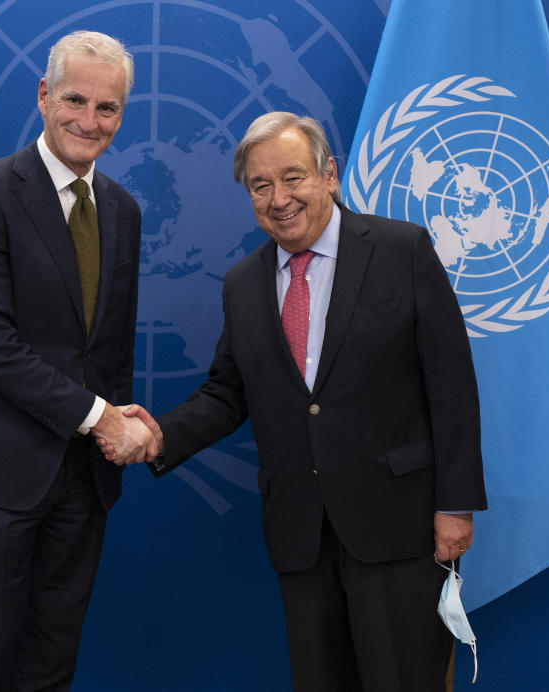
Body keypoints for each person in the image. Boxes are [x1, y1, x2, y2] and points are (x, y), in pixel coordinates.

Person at [103, 112, 487, 691]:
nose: (278, 198)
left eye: (293, 177)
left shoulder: (400, 249)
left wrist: (455, 506)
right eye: (261, 186)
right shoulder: (242, 282)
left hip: (399, 526)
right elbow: (228, 392)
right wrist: (160, 435)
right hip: (301, 532)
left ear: (328, 175)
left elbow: (452, 387)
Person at [0, 30, 152, 692]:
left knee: (55, 656)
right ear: (45, 96)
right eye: (76, 99)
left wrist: (114, 421)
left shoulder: (124, 211)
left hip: (83, 480)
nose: (89, 120)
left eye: (107, 108)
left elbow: (106, 345)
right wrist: (100, 417)